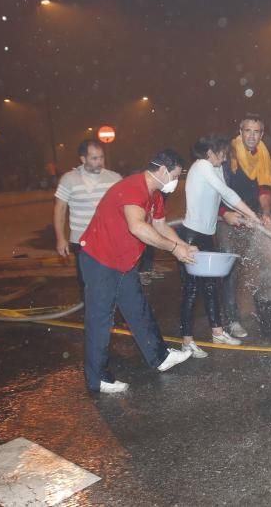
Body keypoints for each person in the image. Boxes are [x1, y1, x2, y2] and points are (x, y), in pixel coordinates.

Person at [77, 149, 197, 393]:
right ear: (163, 170)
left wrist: (183, 246)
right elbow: (138, 228)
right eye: (175, 176)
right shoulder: (133, 188)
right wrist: (174, 249)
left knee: (137, 309)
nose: (175, 183)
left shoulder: (155, 195)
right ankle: (97, 379)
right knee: (101, 320)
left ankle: (159, 357)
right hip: (100, 260)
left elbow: (161, 226)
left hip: (123, 262)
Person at [177, 136, 262, 358]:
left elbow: (222, 198)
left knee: (210, 286)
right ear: (209, 152)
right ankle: (187, 341)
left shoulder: (215, 169)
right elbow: (227, 194)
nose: (225, 157)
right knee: (192, 289)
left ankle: (217, 332)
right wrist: (252, 214)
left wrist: (239, 215)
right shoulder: (202, 166)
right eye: (221, 152)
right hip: (191, 235)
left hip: (206, 235)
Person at [219, 112, 271, 339]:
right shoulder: (228, 153)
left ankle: (253, 310)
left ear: (262, 133)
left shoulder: (263, 154)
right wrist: (224, 215)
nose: (252, 136)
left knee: (254, 263)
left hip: (251, 216)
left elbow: (264, 189)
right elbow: (216, 190)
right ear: (240, 132)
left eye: (257, 131)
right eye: (247, 130)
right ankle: (231, 320)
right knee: (228, 268)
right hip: (227, 217)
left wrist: (265, 213)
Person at [53, 139, 122, 287]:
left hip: (109, 239)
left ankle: (109, 309)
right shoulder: (69, 179)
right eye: (94, 158)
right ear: (83, 159)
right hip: (82, 241)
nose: (100, 162)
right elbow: (60, 210)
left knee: (111, 281)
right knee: (87, 283)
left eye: (101, 157)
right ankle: (91, 309)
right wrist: (60, 238)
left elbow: (123, 209)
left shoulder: (114, 178)